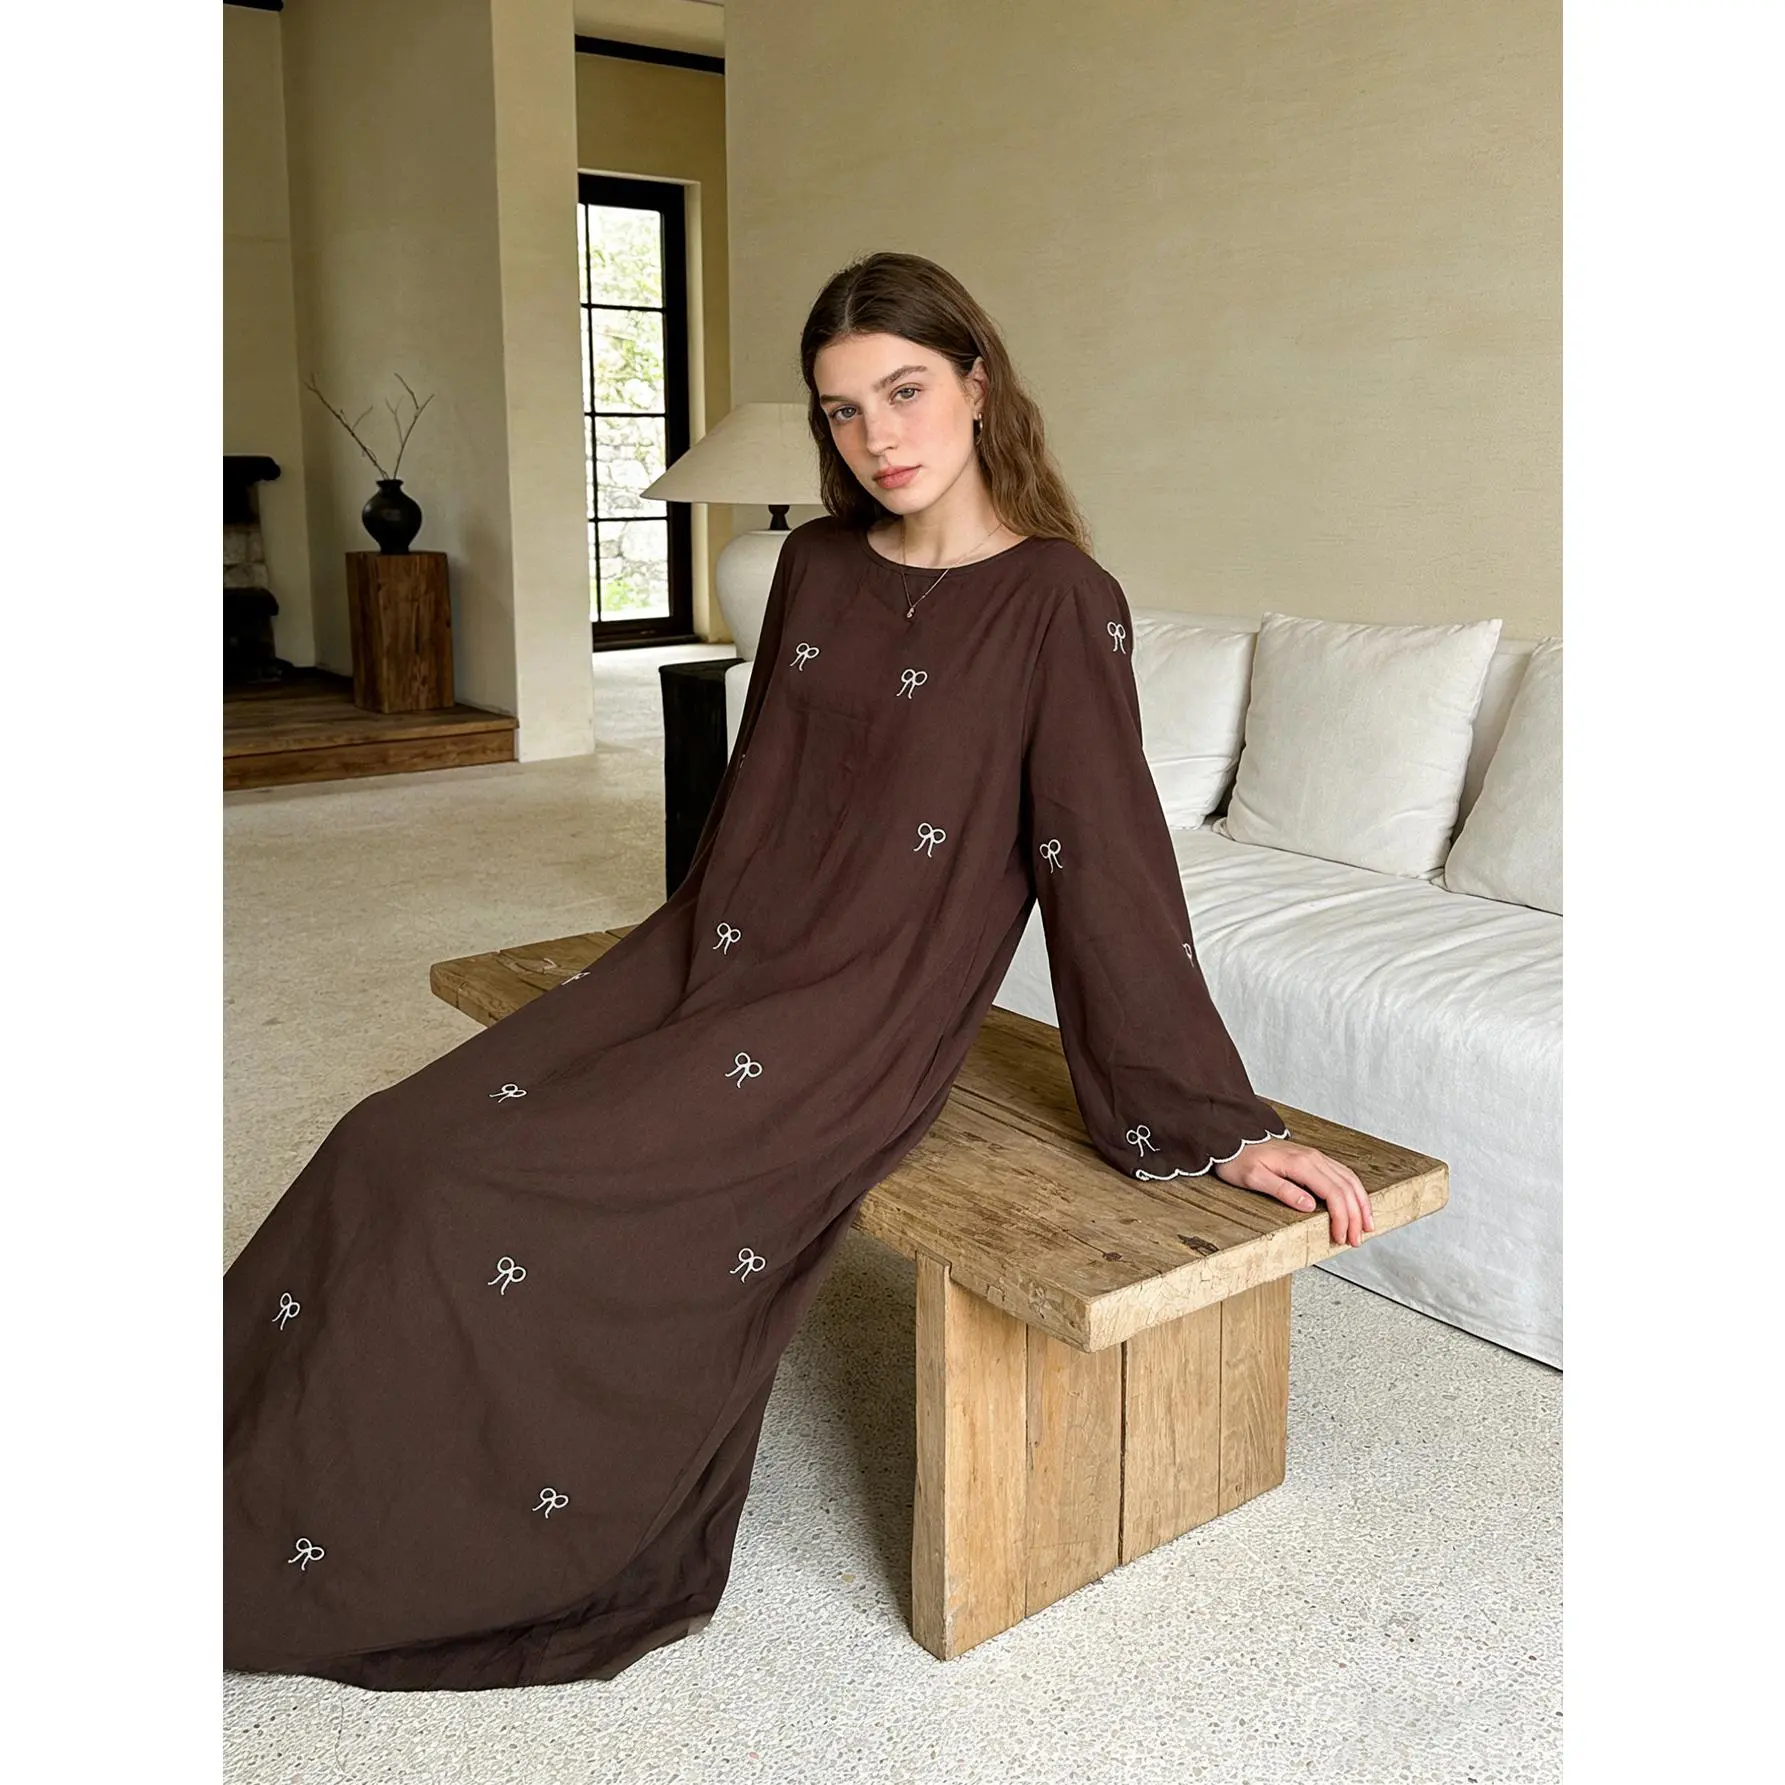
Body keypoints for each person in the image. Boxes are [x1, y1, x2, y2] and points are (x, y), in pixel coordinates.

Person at [222, 250, 1370, 1693]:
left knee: (485, 1190)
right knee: (389, 1140)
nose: (879, 436)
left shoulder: (1060, 601)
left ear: (978, 386)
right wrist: (680, 981)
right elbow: (758, 803)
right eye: (843, 410)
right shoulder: (816, 569)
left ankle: (380, 1538)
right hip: (717, 962)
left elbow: (1108, 868)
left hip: (861, 1019)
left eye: (906, 391)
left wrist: (1215, 1122)